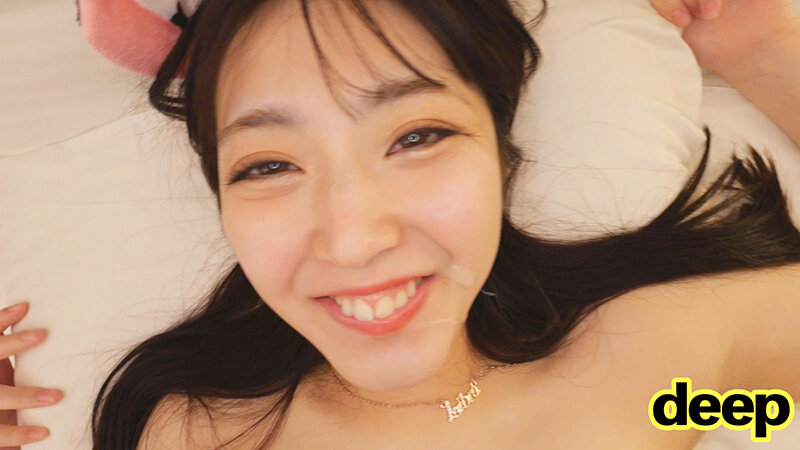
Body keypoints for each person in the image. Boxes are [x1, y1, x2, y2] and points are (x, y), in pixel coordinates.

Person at [1, 0, 798, 447]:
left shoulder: (652, 364)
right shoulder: (203, 433)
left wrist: (769, 53)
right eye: (267, 166)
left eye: (417, 138)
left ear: (500, 156)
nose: (353, 239)